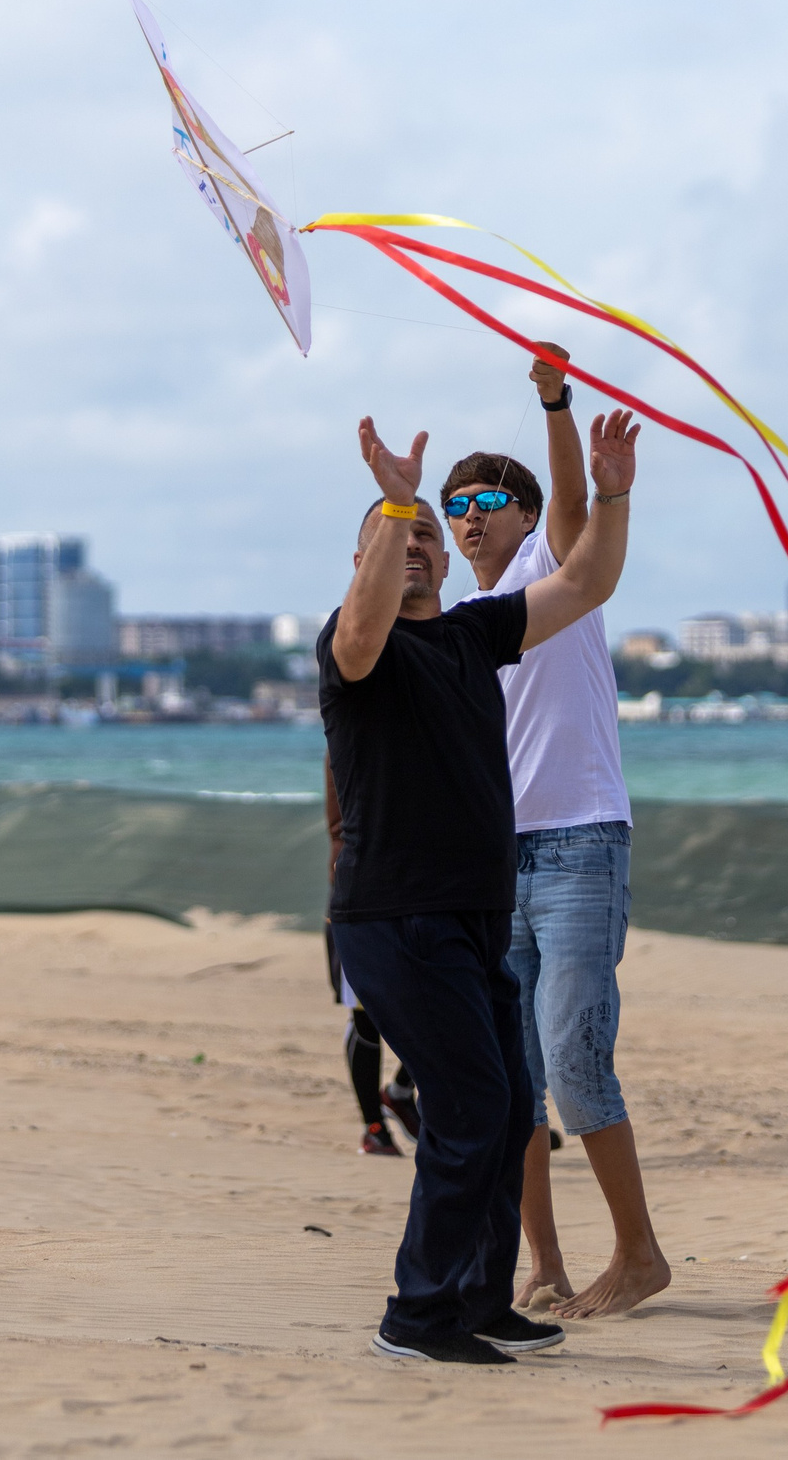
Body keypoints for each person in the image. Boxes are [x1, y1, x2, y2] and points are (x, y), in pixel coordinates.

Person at [320, 405, 639, 1366]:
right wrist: (395, 496)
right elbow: (369, 617)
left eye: (428, 535)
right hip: (396, 916)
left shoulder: (471, 634)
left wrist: (613, 492)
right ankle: (417, 1317)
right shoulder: (356, 647)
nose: (418, 541)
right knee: (464, 1109)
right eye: (397, 534)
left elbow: (586, 581)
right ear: (367, 551)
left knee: (507, 1109)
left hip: (473, 914)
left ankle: (481, 1296)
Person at [444, 343, 671, 1320]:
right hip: (501, 866)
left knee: (577, 1063)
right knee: (515, 1082)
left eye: (484, 505)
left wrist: (555, 403)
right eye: (455, 510)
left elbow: (578, 512)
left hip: (581, 845)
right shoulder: (462, 619)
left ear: (526, 519)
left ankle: (640, 1253)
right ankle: (544, 1264)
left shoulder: (551, 566)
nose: (467, 522)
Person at [321, 760, 417, 1157]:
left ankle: (399, 1092)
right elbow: (343, 822)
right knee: (364, 1015)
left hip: (418, 882)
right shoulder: (349, 716)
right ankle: (373, 1126)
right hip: (359, 887)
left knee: (441, 1002)